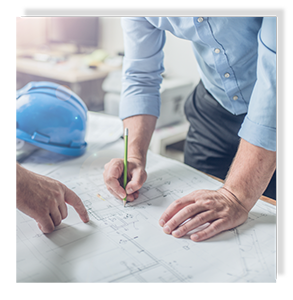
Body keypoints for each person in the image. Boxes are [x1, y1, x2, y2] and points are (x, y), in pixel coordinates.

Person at [103, 17, 276, 242]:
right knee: (198, 223)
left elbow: (275, 85)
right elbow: (140, 76)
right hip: (214, 110)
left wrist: (236, 196)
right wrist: (134, 156)